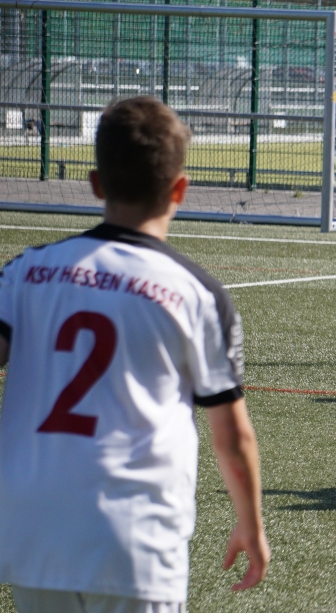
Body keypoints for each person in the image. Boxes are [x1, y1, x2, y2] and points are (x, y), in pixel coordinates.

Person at [0, 97, 270, 610]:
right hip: (134, 536)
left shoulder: (25, 272)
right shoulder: (194, 293)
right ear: (180, 189)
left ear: (96, 183)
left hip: (32, 528)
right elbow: (233, 437)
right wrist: (251, 526)